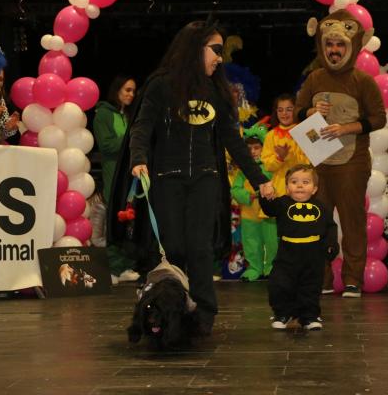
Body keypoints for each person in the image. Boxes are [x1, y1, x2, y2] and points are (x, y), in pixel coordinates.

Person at [124, 20, 275, 335]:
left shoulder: (216, 91)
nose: (220, 58)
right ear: (195, 47)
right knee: (173, 247)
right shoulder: (161, 85)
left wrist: (259, 178)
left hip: (205, 178)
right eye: (215, 50)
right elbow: (142, 125)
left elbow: (233, 140)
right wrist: (138, 159)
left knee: (200, 247)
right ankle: (169, 308)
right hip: (167, 178)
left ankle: (204, 312)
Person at [295, 9, 386, 297]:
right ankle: (320, 278)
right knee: (317, 222)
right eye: (329, 45)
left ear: (353, 46)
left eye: (340, 45)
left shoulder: (364, 81)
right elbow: (297, 113)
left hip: (352, 163)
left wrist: (347, 128)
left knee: (352, 221)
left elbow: (379, 119)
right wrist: (309, 111)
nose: (334, 51)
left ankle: (352, 280)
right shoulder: (314, 79)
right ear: (322, 47)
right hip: (319, 163)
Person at [259, 164, 338, 330]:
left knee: (310, 286)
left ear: (314, 188)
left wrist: (331, 244)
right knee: (280, 284)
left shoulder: (321, 207)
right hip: (287, 253)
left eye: (305, 182)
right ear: (287, 187)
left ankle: (309, 316)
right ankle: (282, 313)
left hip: (313, 254)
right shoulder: (282, 203)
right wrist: (266, 197)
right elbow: (269, 209)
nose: (300, 185)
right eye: (294, 182)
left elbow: (330, 227)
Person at [93, 75, 140, 284]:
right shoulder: (103, 114)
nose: (131, 94)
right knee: (114, 219)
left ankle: (124, 265)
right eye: (127, 90)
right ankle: (112, 267)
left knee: (129, 219)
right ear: (116, 91)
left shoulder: (129, 115)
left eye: (133, 91)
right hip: (113, 174)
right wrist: (132, 136)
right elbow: (106, 145)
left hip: (130, 175)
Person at [230, 122, 278, 282]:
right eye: (249, 149)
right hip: (249, 212)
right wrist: (247, 196)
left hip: (268, 213)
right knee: (251, 242)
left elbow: (277, 183)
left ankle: (271, 267)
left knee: (272, 241)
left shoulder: (270, 167)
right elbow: (235, 188)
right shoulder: (243, 170)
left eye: (257, 147)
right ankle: (254, 267)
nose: (253, 152)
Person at [261, 93, 309, 195]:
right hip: (279, 189)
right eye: (280, 110)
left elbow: (309, 162)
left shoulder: (305, 131)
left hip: (302, 187)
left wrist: (288, 156)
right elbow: (267, 166)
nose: (284, 113)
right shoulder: (271, 135)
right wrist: (279, 158)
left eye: (289, 109)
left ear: (296, 110)